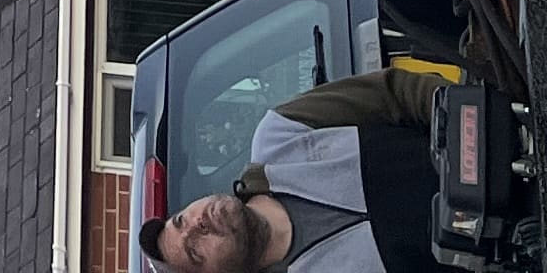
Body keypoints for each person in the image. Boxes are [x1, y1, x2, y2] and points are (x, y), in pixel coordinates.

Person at [139, 73, 437, 273]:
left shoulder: (280, 134)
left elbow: (395, 92)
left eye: (181, 220)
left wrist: (460, 119)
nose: (197, 224)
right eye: (194, 251)